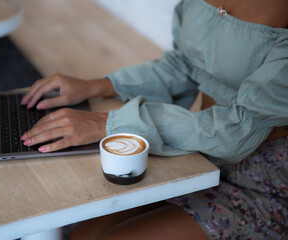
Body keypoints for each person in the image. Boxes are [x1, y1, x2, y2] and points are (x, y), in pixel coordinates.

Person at [20, 0, 288, 239]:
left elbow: (239, 128)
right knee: (82, 233)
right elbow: (185, 64)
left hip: (264, 182)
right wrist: (96, 86)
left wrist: (107, 123)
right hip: (199, 156)